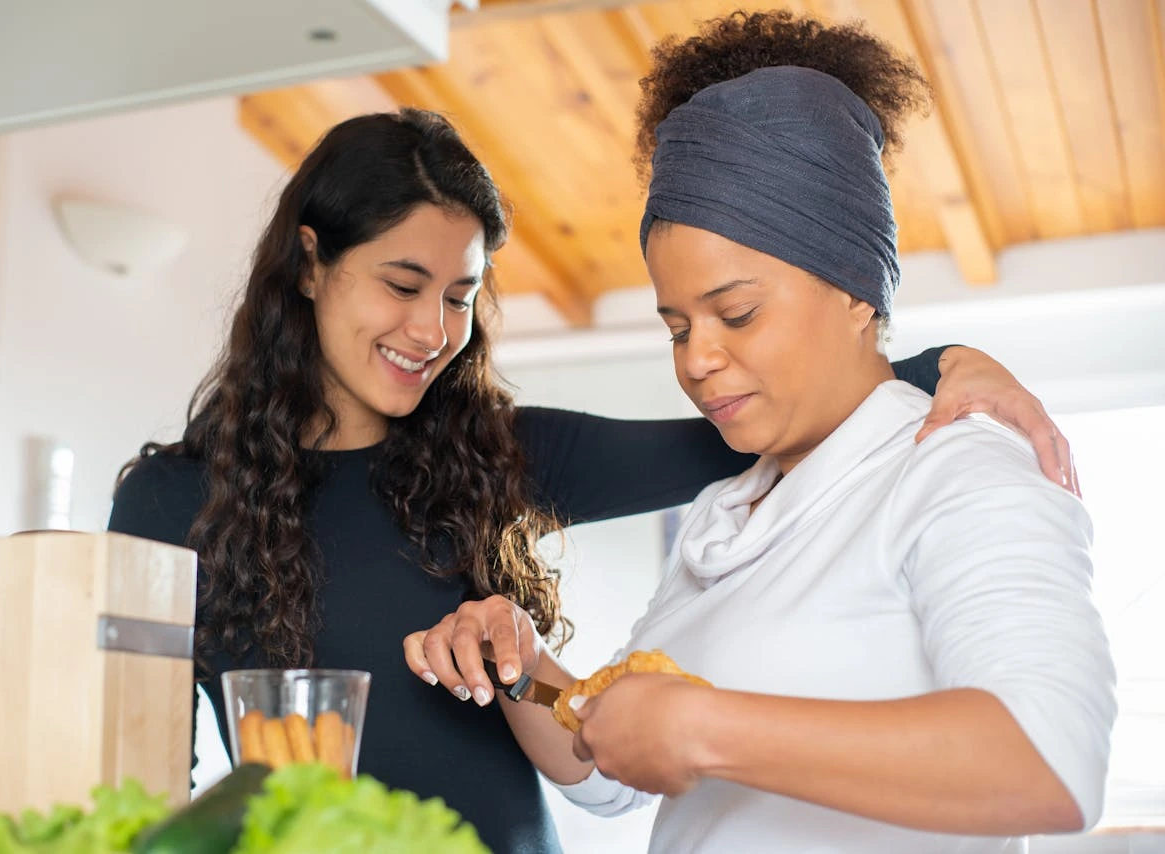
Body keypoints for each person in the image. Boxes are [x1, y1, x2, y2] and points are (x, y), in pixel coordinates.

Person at [108, 106, 1079, 853]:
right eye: (402, 285)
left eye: (459, 296)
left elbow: (751, 421)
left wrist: (941, 361)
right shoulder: (165, 505)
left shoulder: (504, 452)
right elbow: (140, 773)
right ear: (311, 264)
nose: (431, 330)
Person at [404, 11, 1116, 853]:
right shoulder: (727, 514)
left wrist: (708, 728)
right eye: (676, 328)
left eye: (735, 313)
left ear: (856, 290)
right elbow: (610, 769)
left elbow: (1050, 761)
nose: (698, 359)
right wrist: (521, 669)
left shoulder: (958, 468)